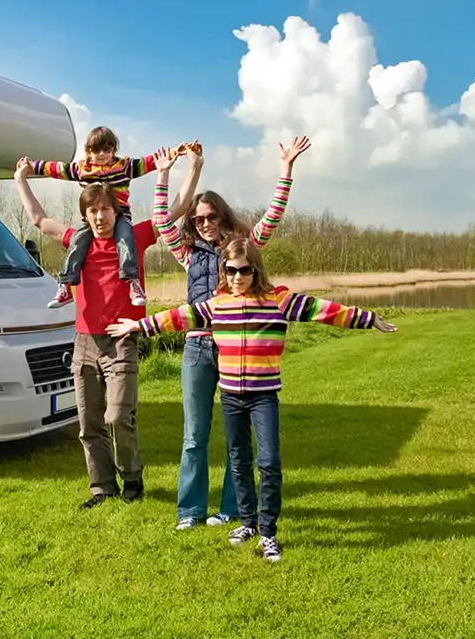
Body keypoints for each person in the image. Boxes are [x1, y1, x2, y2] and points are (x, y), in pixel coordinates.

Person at [107, 237, 398, 561]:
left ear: (255, 269)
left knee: (269, 463)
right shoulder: (217, 304)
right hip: (231, 397)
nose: (236, 277)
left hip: (264, 397)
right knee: (240, 461)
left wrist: (369, 319)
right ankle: (247, 522)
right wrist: (139, 326)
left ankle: (268, 533)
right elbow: (179, 317)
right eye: (230, 270)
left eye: (243, 270)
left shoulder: (279, 301)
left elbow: (325, 310)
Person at [12, 151, 201, 508]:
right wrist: (21, 179)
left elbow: (175, 209)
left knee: (117, 416)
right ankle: (101, 487)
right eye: (93, 211)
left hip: (121, 342)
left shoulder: (137, 238)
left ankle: (132, 478)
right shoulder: (76, 244)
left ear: (117, 212)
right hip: (83, 342)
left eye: (105, 210)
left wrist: (194, 169)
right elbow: (39, 219)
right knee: (89, 423)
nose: (99, 217)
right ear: (86, 216)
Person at [151, 136, 310, 531]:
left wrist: (286, 169)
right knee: (194, 435)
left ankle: (232, 508)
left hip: (235, 349)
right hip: (197, 349)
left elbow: (272, 216)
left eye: (211, 217)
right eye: (198, 219)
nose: (205, 224)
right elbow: (160, 220)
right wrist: (168, 173)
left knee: (235, 439)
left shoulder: (240, 252)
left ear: (222, 217)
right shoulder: (186, 253)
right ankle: (190, 511)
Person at [18, 126, 185, 310]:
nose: (104, 154)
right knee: (77, 242)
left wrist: (176, 151)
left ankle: (132, 282)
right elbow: (58, 169)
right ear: (89, 151)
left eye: (108, 149)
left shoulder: (124, 167)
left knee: (125, 238)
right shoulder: (82, 170)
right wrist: (33, 166)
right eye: (98, 150)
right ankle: (65, 285)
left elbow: (150, 161)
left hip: (120, 216)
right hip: (91, 221)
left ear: (114, 149)